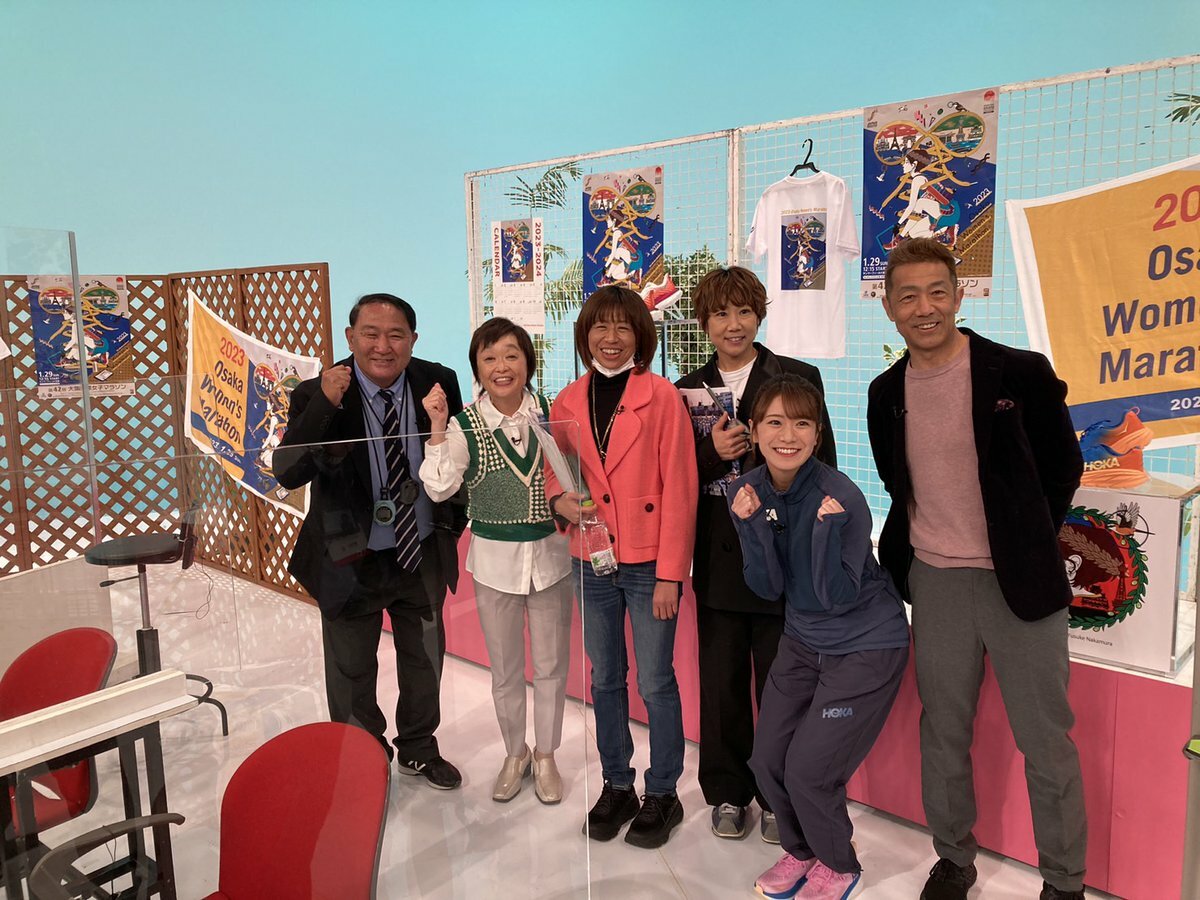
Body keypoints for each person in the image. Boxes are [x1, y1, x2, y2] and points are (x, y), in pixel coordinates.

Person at [866, 238, 1086, 900]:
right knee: (943, 732)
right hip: (935, 582)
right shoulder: (885, 392)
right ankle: (954, 859)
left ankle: (1064, 881)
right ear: (888, 307)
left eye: (937, 291)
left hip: (1020, 584)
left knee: (1046, 740)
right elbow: (896, 480)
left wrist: (1024, 538)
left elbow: (1062, 467)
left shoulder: (1019, 372)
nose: (924, 307)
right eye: (908, 296)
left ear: (959, 296)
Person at [274, 292, 466, 790]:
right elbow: (288, 471)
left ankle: (419, 749)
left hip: (418, 550)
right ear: (350, 337)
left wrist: (452, 523)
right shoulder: (319, 392)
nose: (383, 346)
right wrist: (325, 403)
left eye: (396, 334)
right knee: (351, 668)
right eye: (370, 334)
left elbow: (456, 456)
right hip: (349, 557)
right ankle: (363, 756)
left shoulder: (437, 380)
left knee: (424, 661)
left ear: (413, 339)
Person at [729, 373, 909, 900]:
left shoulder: (841, 497)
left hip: (865, 645)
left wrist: (823, 532)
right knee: (767, 761)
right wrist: (751, 527)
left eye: (802, 423)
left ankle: (839, 864)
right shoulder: (747, 492)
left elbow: (833, 595)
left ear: (817, 433)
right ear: (754, 429)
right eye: (775, 422)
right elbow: (767, 588)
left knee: (809, 771)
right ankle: (801, 850)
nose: (788, 435)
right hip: (803, 640)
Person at [674, 265, 837, 844]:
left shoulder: (797, 377)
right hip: (717, 561)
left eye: (744, 311)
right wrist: (710, 453)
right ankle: (726, 791)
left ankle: (777, 795)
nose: (733, 324)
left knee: (782, 686)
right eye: (720, 313)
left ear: (760, 315)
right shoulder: (685, 389)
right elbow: (675, 478)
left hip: (783, 561)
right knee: (720, 686)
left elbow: (824, 469)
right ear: (704, 323)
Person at [545, 285, 698, 849]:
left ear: (641, 335)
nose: (611, 339)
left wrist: (670, 573)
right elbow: (555, 469)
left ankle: (663, 792)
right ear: (585, 335)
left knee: (656, 681)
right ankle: (617, 784)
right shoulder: (566, 400)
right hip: (591, 556)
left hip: (649, 559)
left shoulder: (662, 396)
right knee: (605, 678)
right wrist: (560, 500)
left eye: (623, 327)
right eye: (600, 327)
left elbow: (680, 486)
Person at [419, 317, 573, 804]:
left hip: (552, 560)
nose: (501, 366)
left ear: (528, 362)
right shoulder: (465, 426)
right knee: (505, 671)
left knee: (551, 667)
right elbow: (439, 487)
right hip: (493, 565)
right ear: (477, 369)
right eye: (489, 358)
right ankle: (515, 753)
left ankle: (546, 754)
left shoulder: (552, 413)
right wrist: (437, 427)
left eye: (511, 355)